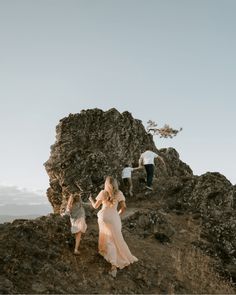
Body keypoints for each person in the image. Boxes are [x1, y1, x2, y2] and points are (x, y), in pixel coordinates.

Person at [88, 176, 138, 278]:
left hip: (103, 217)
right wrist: (117, 214)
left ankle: (109, 258)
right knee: (117, 239)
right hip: (113, 216)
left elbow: (95, 206)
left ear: (106, 184)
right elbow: (124, 207)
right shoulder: (119, 193)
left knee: (107, 238)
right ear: (115, 184)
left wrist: (90, 199)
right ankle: (114, 266)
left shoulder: (103, 193)